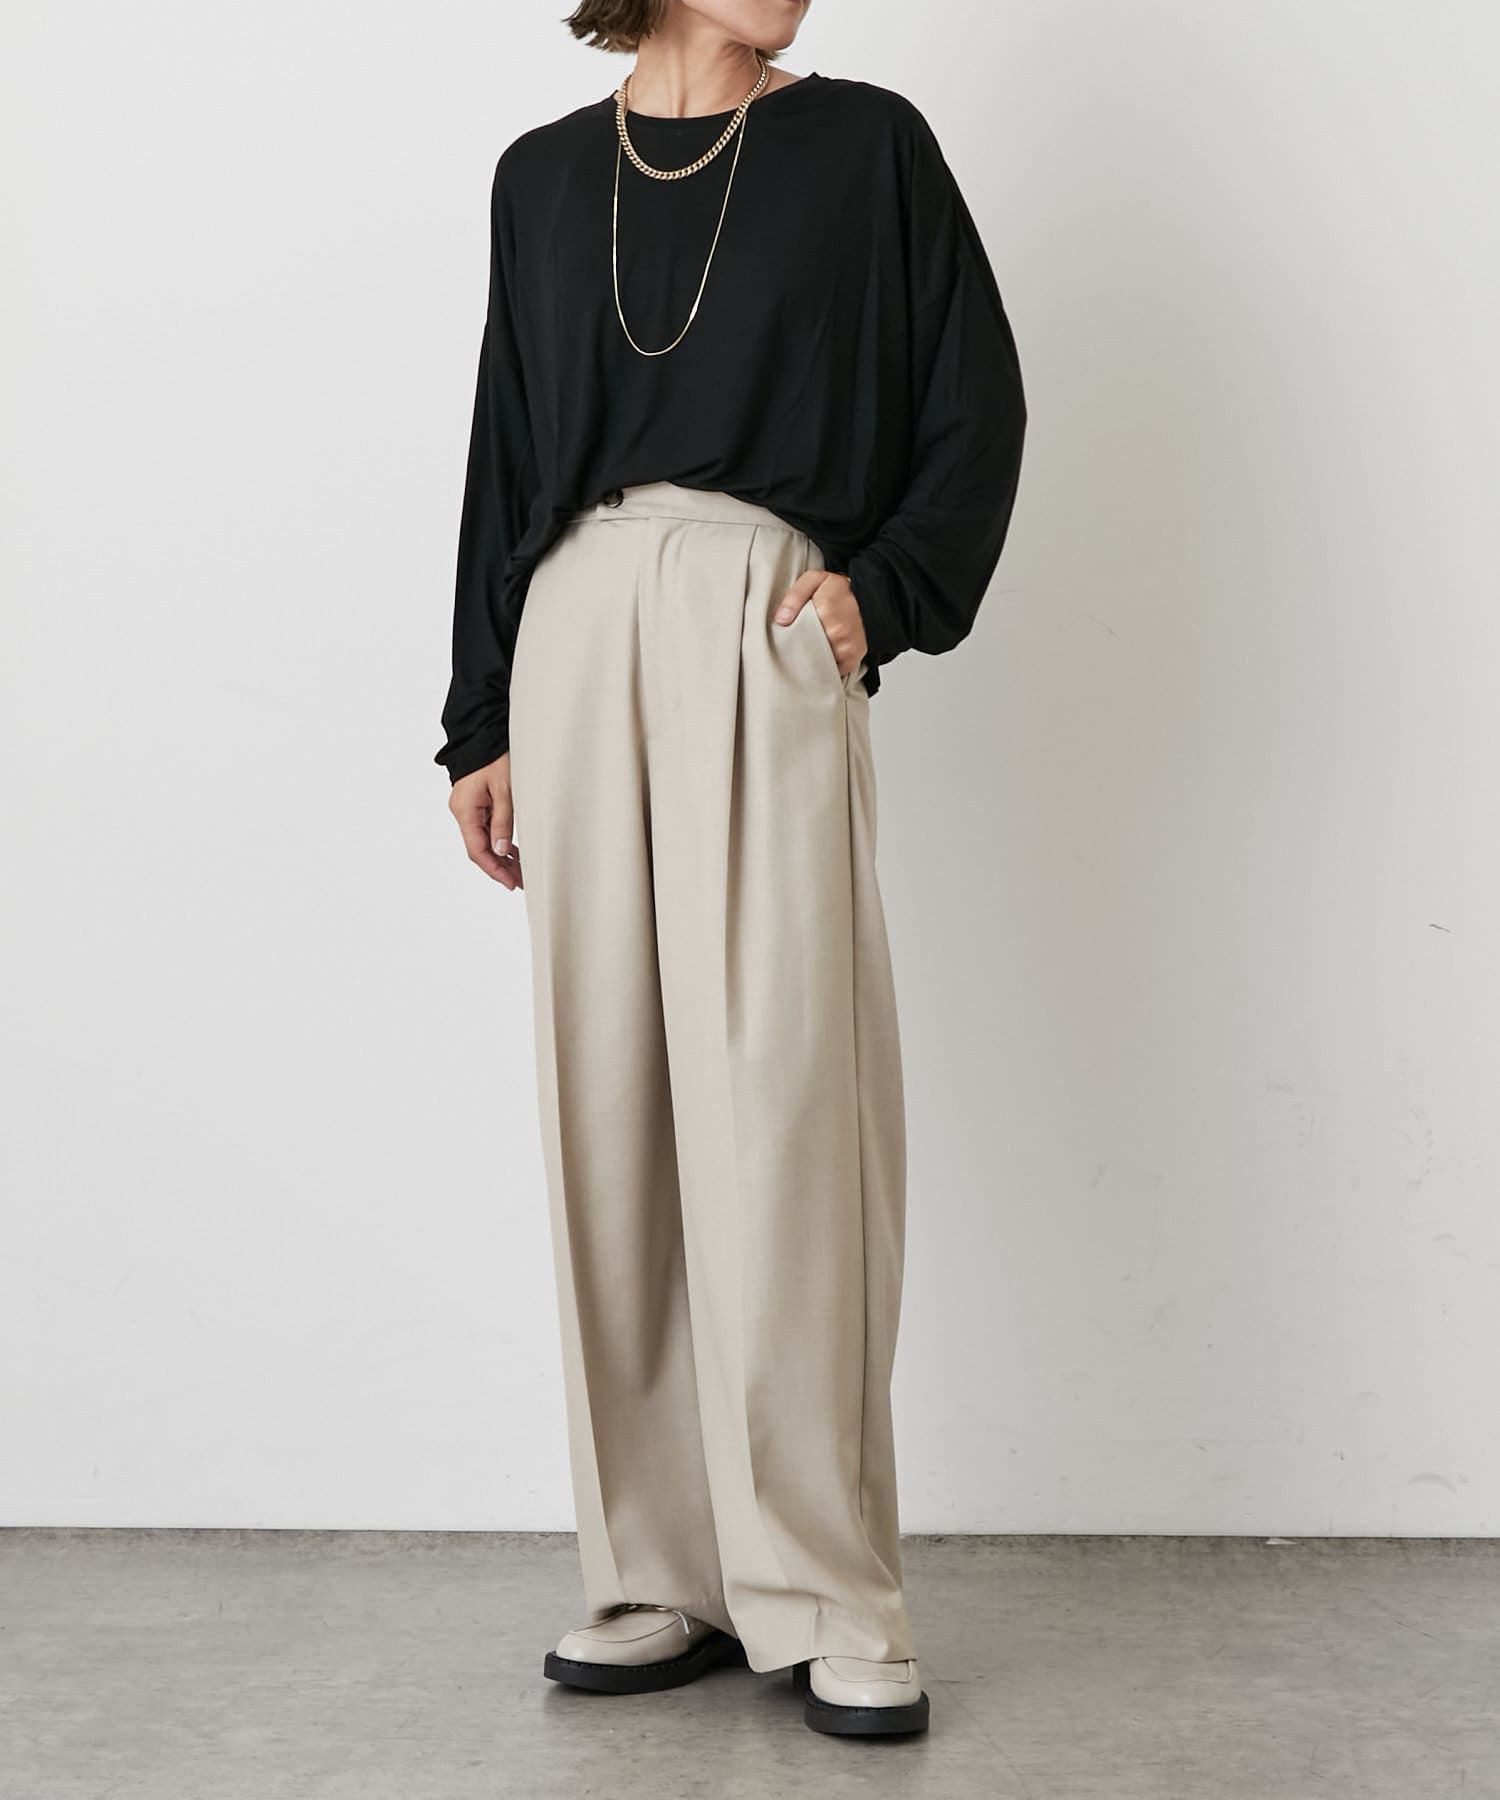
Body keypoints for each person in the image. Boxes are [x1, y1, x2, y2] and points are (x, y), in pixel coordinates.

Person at [434, 0, 1026, 1741]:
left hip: (763, 618)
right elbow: (503, 449)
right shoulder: (544, 178)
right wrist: (481, 715)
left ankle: (829, 1588)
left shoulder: (867, 149)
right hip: (574, 624)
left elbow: (977, 404)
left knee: (786, 1105)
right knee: (611, 1112)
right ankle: (656, 1572)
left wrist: (881, 595)